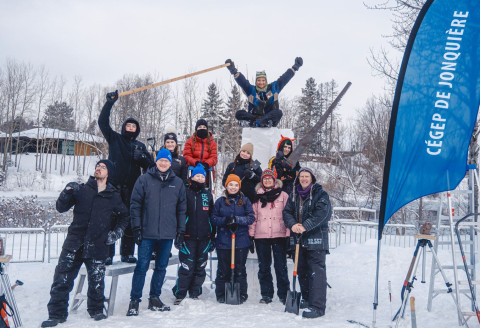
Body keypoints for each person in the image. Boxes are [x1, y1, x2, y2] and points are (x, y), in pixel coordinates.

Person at [41, 160, 128, 327]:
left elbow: (125, 216)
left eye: (103, 167)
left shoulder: (113, 195)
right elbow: (61, 208)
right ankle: (56, 314)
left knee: (97, 280)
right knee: (62, 279)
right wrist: (66, 192)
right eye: (97, 166)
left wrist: (116, 233)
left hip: (98, 244)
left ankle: (95, 310)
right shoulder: (81, 190)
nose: (99, 169)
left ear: (109, 173)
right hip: (74, 243)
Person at [127, 148, 186, 316]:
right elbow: (135, 205)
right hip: (147, 233)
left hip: (167, 234)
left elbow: (182, 210)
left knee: (161, 267)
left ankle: (154, 298)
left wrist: (180, 231)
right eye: (161, 160)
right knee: (141, 267)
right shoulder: (144, 179)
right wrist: (136, 227)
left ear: (170, 163)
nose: (163, 163)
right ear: (156, 161)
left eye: (166, 161)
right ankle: (134, 301)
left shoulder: (178, 183)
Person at [98, 90, 154, 264]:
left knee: (129, 219)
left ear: (137, 130)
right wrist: (109, 103)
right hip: (113, 186)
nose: (131, 128)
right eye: (128, 126)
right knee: (111, 219)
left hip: (132, 188)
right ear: (124, 128)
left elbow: (150, 166)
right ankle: (108, 253)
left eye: (133, 127)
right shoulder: (115, 139)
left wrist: (143, 157)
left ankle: (127, 253)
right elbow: (103, 123)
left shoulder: (140, 145)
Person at [282, 167, 332, 319]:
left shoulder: (320, 194)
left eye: (307, 176)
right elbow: (287, 212)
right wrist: (293, 225)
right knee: (302, 270)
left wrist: (305, 226)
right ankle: (307, 298)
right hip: (299, 239)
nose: (304, 178)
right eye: (301, 176)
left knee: (316, 273)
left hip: (316, 239)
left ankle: (317, 306)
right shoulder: (294, 195)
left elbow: (323, 214)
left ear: (312, 179)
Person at [171, 163, 215, 304]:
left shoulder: (207, 194)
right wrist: (178, 234)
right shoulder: (185, 191)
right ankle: (180, 293)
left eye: (202, 176)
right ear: (192, 177)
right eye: (197, 175)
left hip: (204, 237)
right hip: (187, 237)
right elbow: (180, 213)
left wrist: (213, 236)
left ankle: (195, 292)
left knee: (200, 266)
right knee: (187, 267)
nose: (200, 178)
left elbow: (211, 216)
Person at [249, 169, 290, 305]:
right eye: (265, 179)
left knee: (280, 266)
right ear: (262, 181)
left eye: (269, 179)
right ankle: (266, 294)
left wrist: (289, 234)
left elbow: (289, 215)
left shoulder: (283, 195)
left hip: (280, 235)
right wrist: (251, 235)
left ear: (274, 180)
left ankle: (284, 294)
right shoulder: (257, 197)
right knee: (264, 267)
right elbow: (253, 217)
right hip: (262, 236)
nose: (267, 181)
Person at [212, 174, 254, 304]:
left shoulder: (245, 201)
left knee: (240, 269)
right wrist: (226, 220)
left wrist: (237, 220)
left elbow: (251, 217)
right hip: (223, 241)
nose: (233, 187)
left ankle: (241, 294)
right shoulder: (220, 201)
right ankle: (221, 294)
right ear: (226, 186)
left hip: (241, 241)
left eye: (236, 185)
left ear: (239, 187)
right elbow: (213, 218)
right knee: (223, 269)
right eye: (231, 184)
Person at [225, 57, 303, 127]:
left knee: (278, 113)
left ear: (266, 81)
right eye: (259, 80)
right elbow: (242, 81)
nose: (261, 83)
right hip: (254, 117)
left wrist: (295, 67)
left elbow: (285, 78)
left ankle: (259, 123)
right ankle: (254, 123)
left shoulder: (274, 87)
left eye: (263, 80)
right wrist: (234, 71)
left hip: (269, 118)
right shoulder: (251, 89)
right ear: (256, 81)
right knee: (239, 113)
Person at [183, 119, 218, 186]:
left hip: (207, 172)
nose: (202, 129)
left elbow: (214, 157)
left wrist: (206, 164)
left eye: (204, 127)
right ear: (196, 129)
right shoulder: (189, 142)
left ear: (207, 129)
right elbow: (186, 156)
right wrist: (196, 163)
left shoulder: (212, 143)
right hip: (193, 170)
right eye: (200, 127)